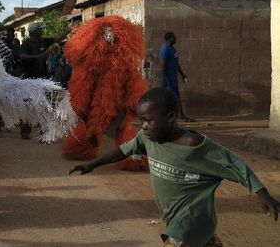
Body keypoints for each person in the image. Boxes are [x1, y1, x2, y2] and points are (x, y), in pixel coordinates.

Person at [69, 88, 279, 247]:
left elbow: (233, 163)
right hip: (178, 219)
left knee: (176, 239)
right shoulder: (148, 138)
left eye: (148, 120)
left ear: (170, 117)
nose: (143, 126)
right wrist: (92, 164)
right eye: (141, 120)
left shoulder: (194, 145)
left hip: (191, 219)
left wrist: (261, 193)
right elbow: (122, 150)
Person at [18, 22, 58, 139]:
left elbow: (57, 38)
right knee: (28, 105)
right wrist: (39, 57)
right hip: (29, 80)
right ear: (35, 31)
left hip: (42, 79)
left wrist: (70, 29)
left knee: (43, 104)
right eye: (41, 29)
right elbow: (23, 57)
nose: (43, 31)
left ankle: (43, 130)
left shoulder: (43, 41)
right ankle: (25, 131)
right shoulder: (26, 43)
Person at [161, 32, 195, 122]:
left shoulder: (173, 49)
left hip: (173, 77)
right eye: (174, 38)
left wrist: (182, 74)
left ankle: (175, 116)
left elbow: (176, 64)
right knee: (173, 97)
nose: (175, 39)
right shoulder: (166, 49)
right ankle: (181, 116)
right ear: (169, 38)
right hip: (169, 78)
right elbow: (163, 64)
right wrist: (165, 78)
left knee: (172, 97)